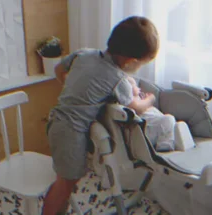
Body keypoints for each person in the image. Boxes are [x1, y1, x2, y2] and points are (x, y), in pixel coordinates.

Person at [43, 16, 159, 215]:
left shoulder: (84, 54)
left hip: (56, 121)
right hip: (70, 132)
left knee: (66, 181)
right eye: (140, 65)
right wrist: (150, 99)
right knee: (64, 185)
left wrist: (75, 88)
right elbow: (136, 107)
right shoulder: (117, 78)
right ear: (131, 61)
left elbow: (59, 69)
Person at [127, 76, 176, 152]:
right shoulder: (129, 99)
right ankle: (164, 145)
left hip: (151, 124)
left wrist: (145, 100)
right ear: (127, 89)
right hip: (145, 128)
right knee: (169, 119)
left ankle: (167, 139)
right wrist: (149, 99)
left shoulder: (137, 98)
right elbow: (138, 109)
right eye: (135, 86)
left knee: (168, 122)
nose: (139, 88)